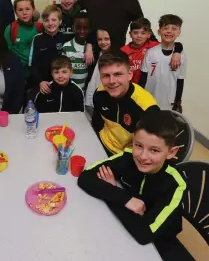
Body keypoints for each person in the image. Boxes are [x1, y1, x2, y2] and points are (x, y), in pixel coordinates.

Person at [78, 110, 193, 260]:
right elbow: (85, 177)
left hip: (160, 241)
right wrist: (125, 198)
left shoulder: (175, 185)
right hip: (125, 227)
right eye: (138, 145)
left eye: (154, 150)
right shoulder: (128, 157)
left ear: (171, 152)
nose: (142, 156)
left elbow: (144, 234)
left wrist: (112, 192)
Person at [92, 52, 159, 157]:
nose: (112, 81)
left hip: (128, 157)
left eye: (118, 74)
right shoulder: (99, 93)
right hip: (101, 144)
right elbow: (97, 121)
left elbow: (149, 150)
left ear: (130, 74)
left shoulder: (147, 108)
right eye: (106, 75)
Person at [139, 15, 186, 112]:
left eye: (174, 29)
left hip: (169, 103)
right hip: (149, 100)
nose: (169, 31)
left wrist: (177, 102)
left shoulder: (181, 56)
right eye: (165, 28)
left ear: (179, 32)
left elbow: (180, 80)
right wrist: (139, 99)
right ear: (159, 31)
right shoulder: (150, 53)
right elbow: (143, 78)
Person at [121, 18, 183, 84]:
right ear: (130, 34)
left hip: (150, 86)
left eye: (143, 33)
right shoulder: (123, 51)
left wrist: (177, 52)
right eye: (136, 33)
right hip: (131, 86)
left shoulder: (154, 46)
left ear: (149, 34)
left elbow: (174, 44)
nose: (139, 36)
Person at [28, 5, 68, 96]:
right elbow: (31, 64)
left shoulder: (64, 38)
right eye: (46, 20)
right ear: (43, 22)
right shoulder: (37, 39)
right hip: (42, 84)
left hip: (61, 82)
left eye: (54, 20)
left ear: (60, 21)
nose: (50, 23)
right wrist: (40, 82)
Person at [4, 0, 43, 82]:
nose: (24, 13)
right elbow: (6, 53)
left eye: (27, 9)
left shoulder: (40, 27)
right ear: (16, 12)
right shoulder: (11, 29)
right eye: (20, 10)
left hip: (36, 74)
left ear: (33, 9)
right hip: (16, 74)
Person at [85, 29, 116, 110]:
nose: (103, 42)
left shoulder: (115, 57)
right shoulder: (96, 54)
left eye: (106, 39)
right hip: (93, 91)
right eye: (100, 39)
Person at [62, 11, 93, 89]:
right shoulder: (66, 47)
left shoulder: (91, 49)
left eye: (85, 28)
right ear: (73, 27)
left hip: (85, 90)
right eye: (78, 28)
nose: (82, 31)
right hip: (68, 89)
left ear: (89, 29)